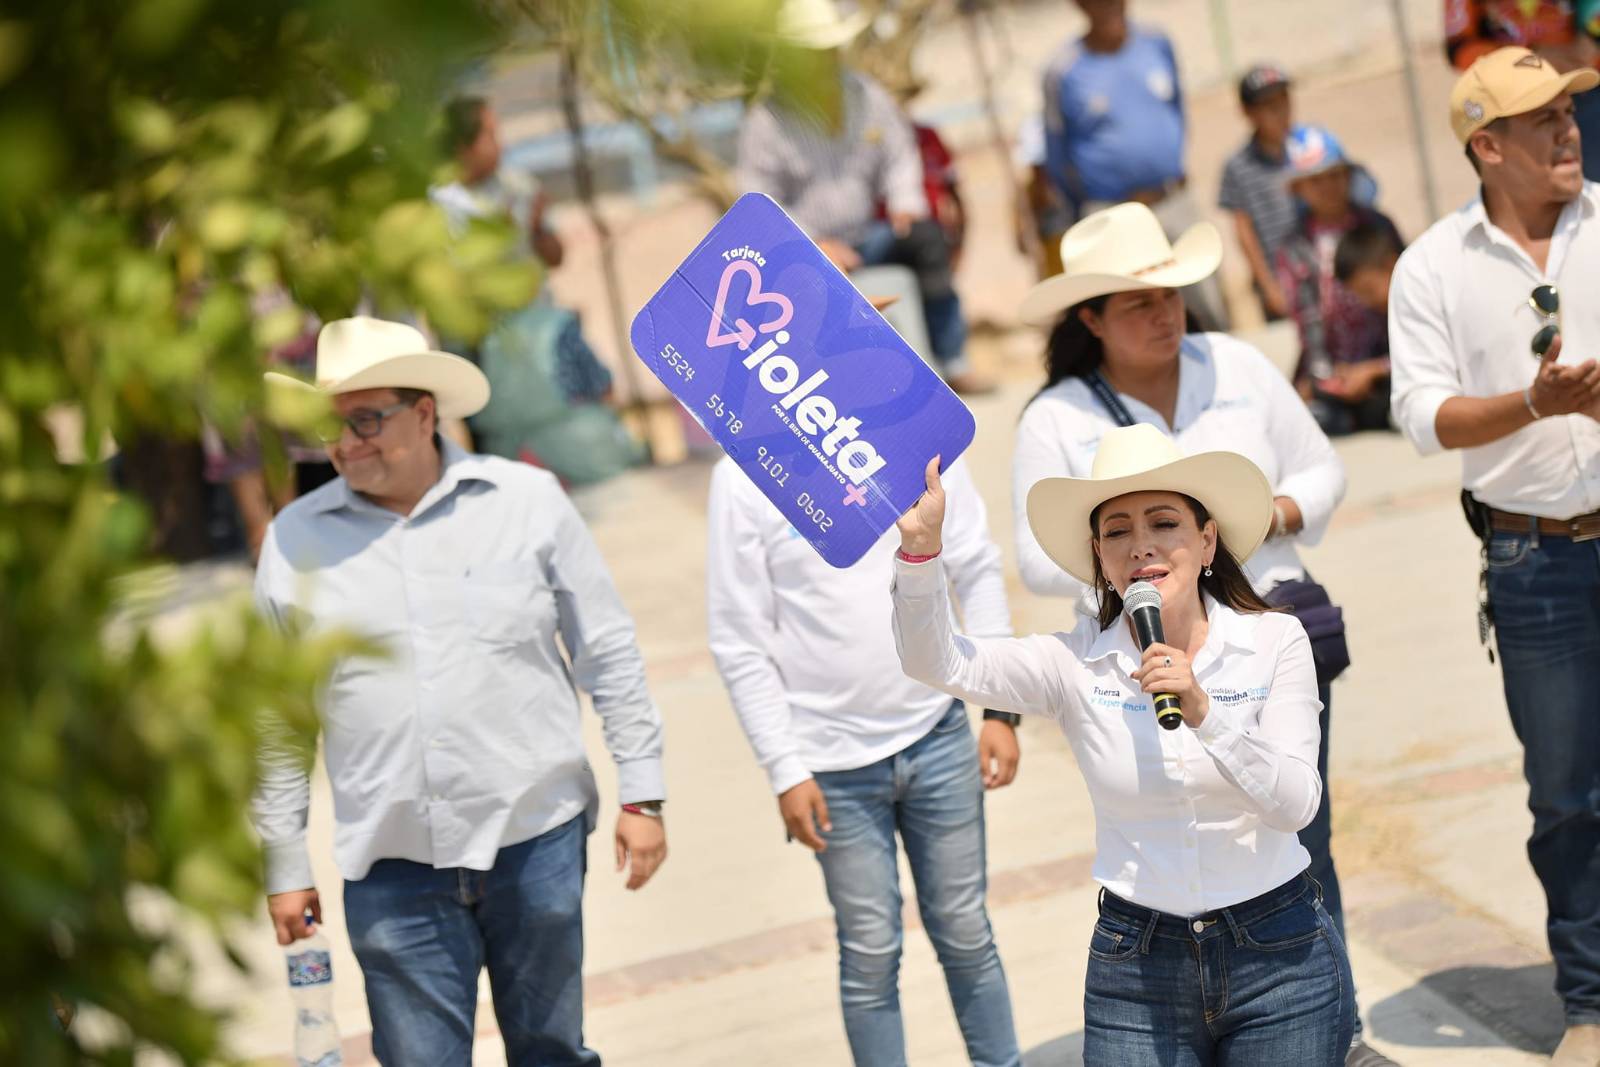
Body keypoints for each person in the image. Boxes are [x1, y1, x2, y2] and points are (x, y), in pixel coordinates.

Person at [1006, 203, 1395, 1066]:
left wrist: (1254, 521)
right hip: (1134, 663)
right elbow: (1036, 559)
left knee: (1295, 833)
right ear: (1091, 319)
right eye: (1136, 300)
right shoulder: (1056, 418)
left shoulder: (1240, 365)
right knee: (1180, 842)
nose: (1164, 311)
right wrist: (1149, 562)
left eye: (1172, 291)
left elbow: (1322, 465)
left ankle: (1335, 1026)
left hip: (1260, 637)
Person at [250, 316, 667, 1066]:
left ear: (425, 413)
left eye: (365, 419)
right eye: (329, 427)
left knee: (551, 1052)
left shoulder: (528, 502)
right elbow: (277, 720)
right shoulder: (294, 542)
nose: (345, 444)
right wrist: (285, 864)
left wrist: (643, 792)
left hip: (534, 840)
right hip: (391, 868)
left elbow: (606, 650)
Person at [893, 424, 1355, 1063]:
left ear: (1207, 539)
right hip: (1136, 966)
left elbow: (1296, 806)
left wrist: (1205, 714)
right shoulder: (1073, 663)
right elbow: (938, 663)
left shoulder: (1275, 642)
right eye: (1117, 532)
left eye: (1164, 523)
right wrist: (919, 555)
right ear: (1100, 560)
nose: (1141, 547)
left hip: (1281, 954)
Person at [1388, 45, 1600, 1066]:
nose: (1566, 130)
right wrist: (1534, 403)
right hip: (1532, 564)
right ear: (1486, 145)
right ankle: (1592, 1004)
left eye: (1569, 110)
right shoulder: (1432, 263)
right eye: (1542, 118)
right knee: (1566, 795)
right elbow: (1420, 416)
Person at [707, 456, 1023, 1067]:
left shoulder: (916, 442)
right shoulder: (742, 474)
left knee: (965, 932)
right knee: (871, 952)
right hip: (828, 765)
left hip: (937, 733)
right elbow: (739, 638)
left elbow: (977, 569)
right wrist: (784, 768)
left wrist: (1000, 708)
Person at [736, 0, 993, 394]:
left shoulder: (866, 95)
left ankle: (951, 358)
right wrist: (814, 245)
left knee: (926, 236)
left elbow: (899, 152)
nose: (822, 61)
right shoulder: (765, 121)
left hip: (869, 236)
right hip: (805, 256)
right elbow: (758, 201)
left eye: (826, 51)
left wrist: (905, 201)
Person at [1040, 0, 1230, 330]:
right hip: (1111, 214)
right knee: (1132, 321)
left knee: (1206, 308)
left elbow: (1177, 111)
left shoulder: (1157, 44)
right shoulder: (1063, 71)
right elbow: (1057, 155)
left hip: (1174, 201)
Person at [1275, 125, 1403, 437]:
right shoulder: (1295, 247)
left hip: (1389, 360)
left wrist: (1377, 368)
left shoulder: (1378, 226)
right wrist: (1325, 377)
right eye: (1315, 181)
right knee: (1318, 419)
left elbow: (1408, 298)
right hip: (1334, 367)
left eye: (1334, 175)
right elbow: (1308, 321)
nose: (1328, 187)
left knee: (1400, 401)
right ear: (1299, 189)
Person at [1446, 0, 1600, 179]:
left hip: (1584, 87)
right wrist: (1529, 58)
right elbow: (1458, 48)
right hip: (1513, 101)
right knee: (1533, 187)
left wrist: (1591, 40)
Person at [1219, 63, 1297, 321]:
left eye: (1283, 100)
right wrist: (1268, 286)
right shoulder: (1238, 166)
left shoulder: (1310, 149)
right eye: (1268, 105)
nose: (1280, 111)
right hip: (1281, 280)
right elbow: (1244, 230)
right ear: (1248, 112)